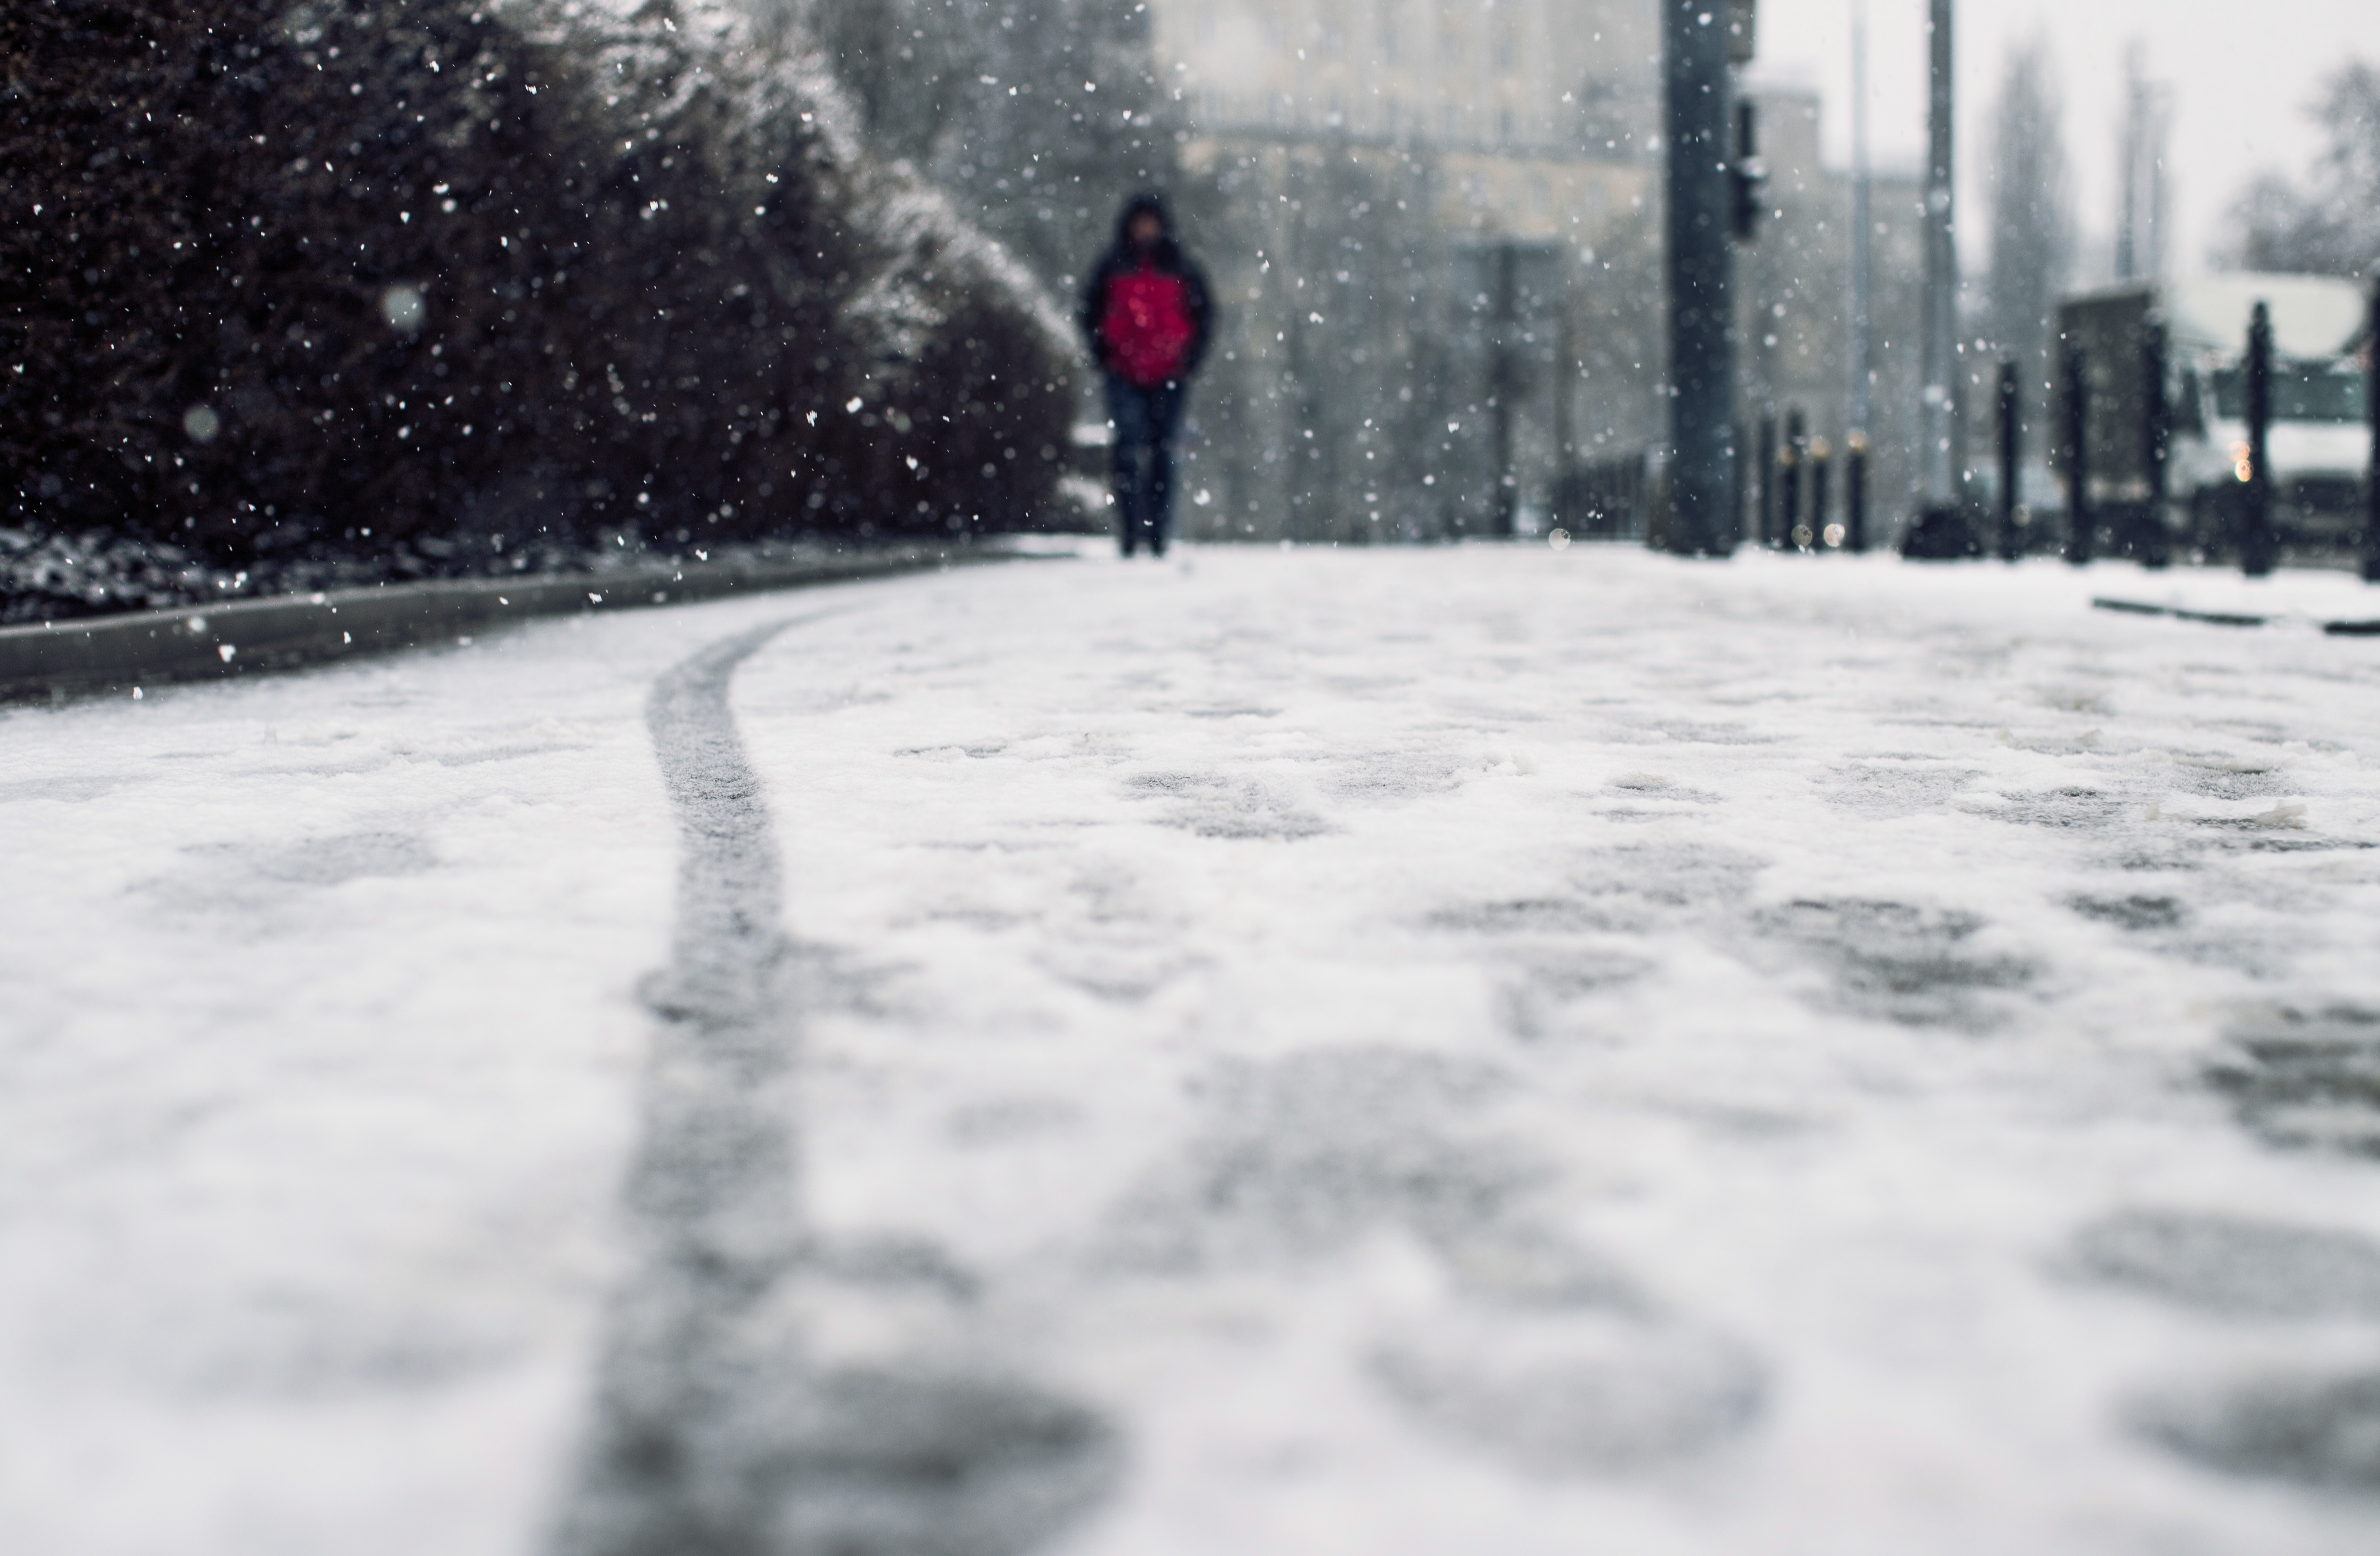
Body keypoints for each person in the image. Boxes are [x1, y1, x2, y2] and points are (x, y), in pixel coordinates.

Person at [1081, 193, 1211, 558]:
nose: (1146, 229)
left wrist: (1189, 360)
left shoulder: (1183, 267)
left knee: (1161, 454)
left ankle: (1157, 536)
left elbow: (1204, 317)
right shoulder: (1112, 265)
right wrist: (1104, 355)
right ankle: (1128, 533)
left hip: (1170, 373)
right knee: (1126, 450)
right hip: (1123, 371)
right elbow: (1090, 310)